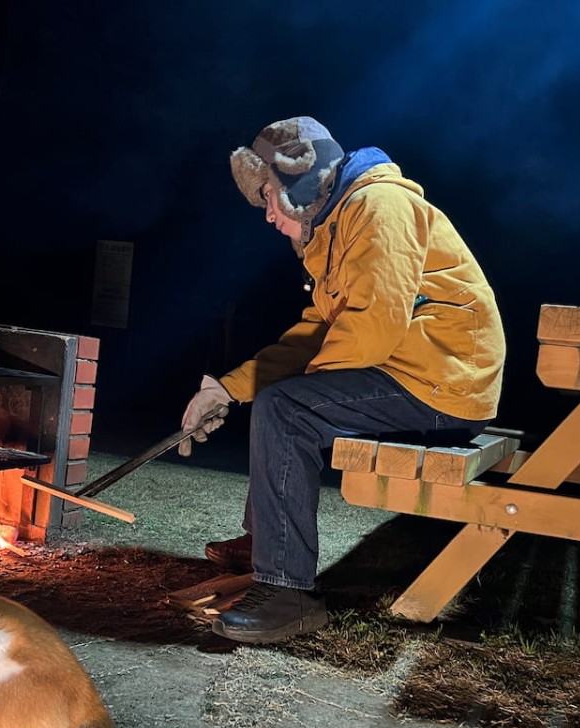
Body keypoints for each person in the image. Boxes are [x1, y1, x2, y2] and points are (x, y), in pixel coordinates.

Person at [179, 115, 506, 644]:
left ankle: (287, 593)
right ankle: (268, 538)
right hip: (415, 374)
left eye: (267, 195)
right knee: (283, 404)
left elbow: (372, 326)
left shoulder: (380, 207)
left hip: (445, 384)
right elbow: (316, 332)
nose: (266, 215)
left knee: (287, 410)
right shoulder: (337, 224)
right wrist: (229, 388)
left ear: (300, 180)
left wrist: (288, 397)